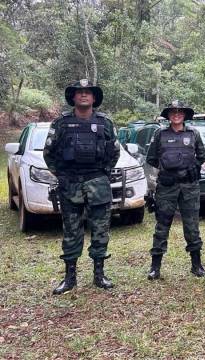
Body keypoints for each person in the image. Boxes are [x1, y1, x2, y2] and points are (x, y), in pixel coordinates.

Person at [44, 79, 120, 295]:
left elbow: (114, 152)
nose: (84, 95)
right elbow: (48, 153)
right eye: (80, 93)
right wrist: (63, 175)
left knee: (100, 231)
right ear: (74, 98)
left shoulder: (105, 123)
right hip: (70, 186)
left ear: (94, 98)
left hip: (98, 184)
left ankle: (99, 275)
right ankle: (70, 278)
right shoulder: (61, 124)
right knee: (71, 232)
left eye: (88, 92)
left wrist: (102, 173)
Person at [146, 100, 205, 279]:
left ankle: (196, 265)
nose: (176, 114)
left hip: (189, 187)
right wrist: (160, 176)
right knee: (162, 226)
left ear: (184, 115)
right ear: (168, 115)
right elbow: (151, 160)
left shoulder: (193, 134)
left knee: (192, 226)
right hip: (167, 187)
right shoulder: (160, 134)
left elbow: (202, 157)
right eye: (173, 112)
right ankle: (155, 267)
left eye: (180, 112)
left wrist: (192, 169)